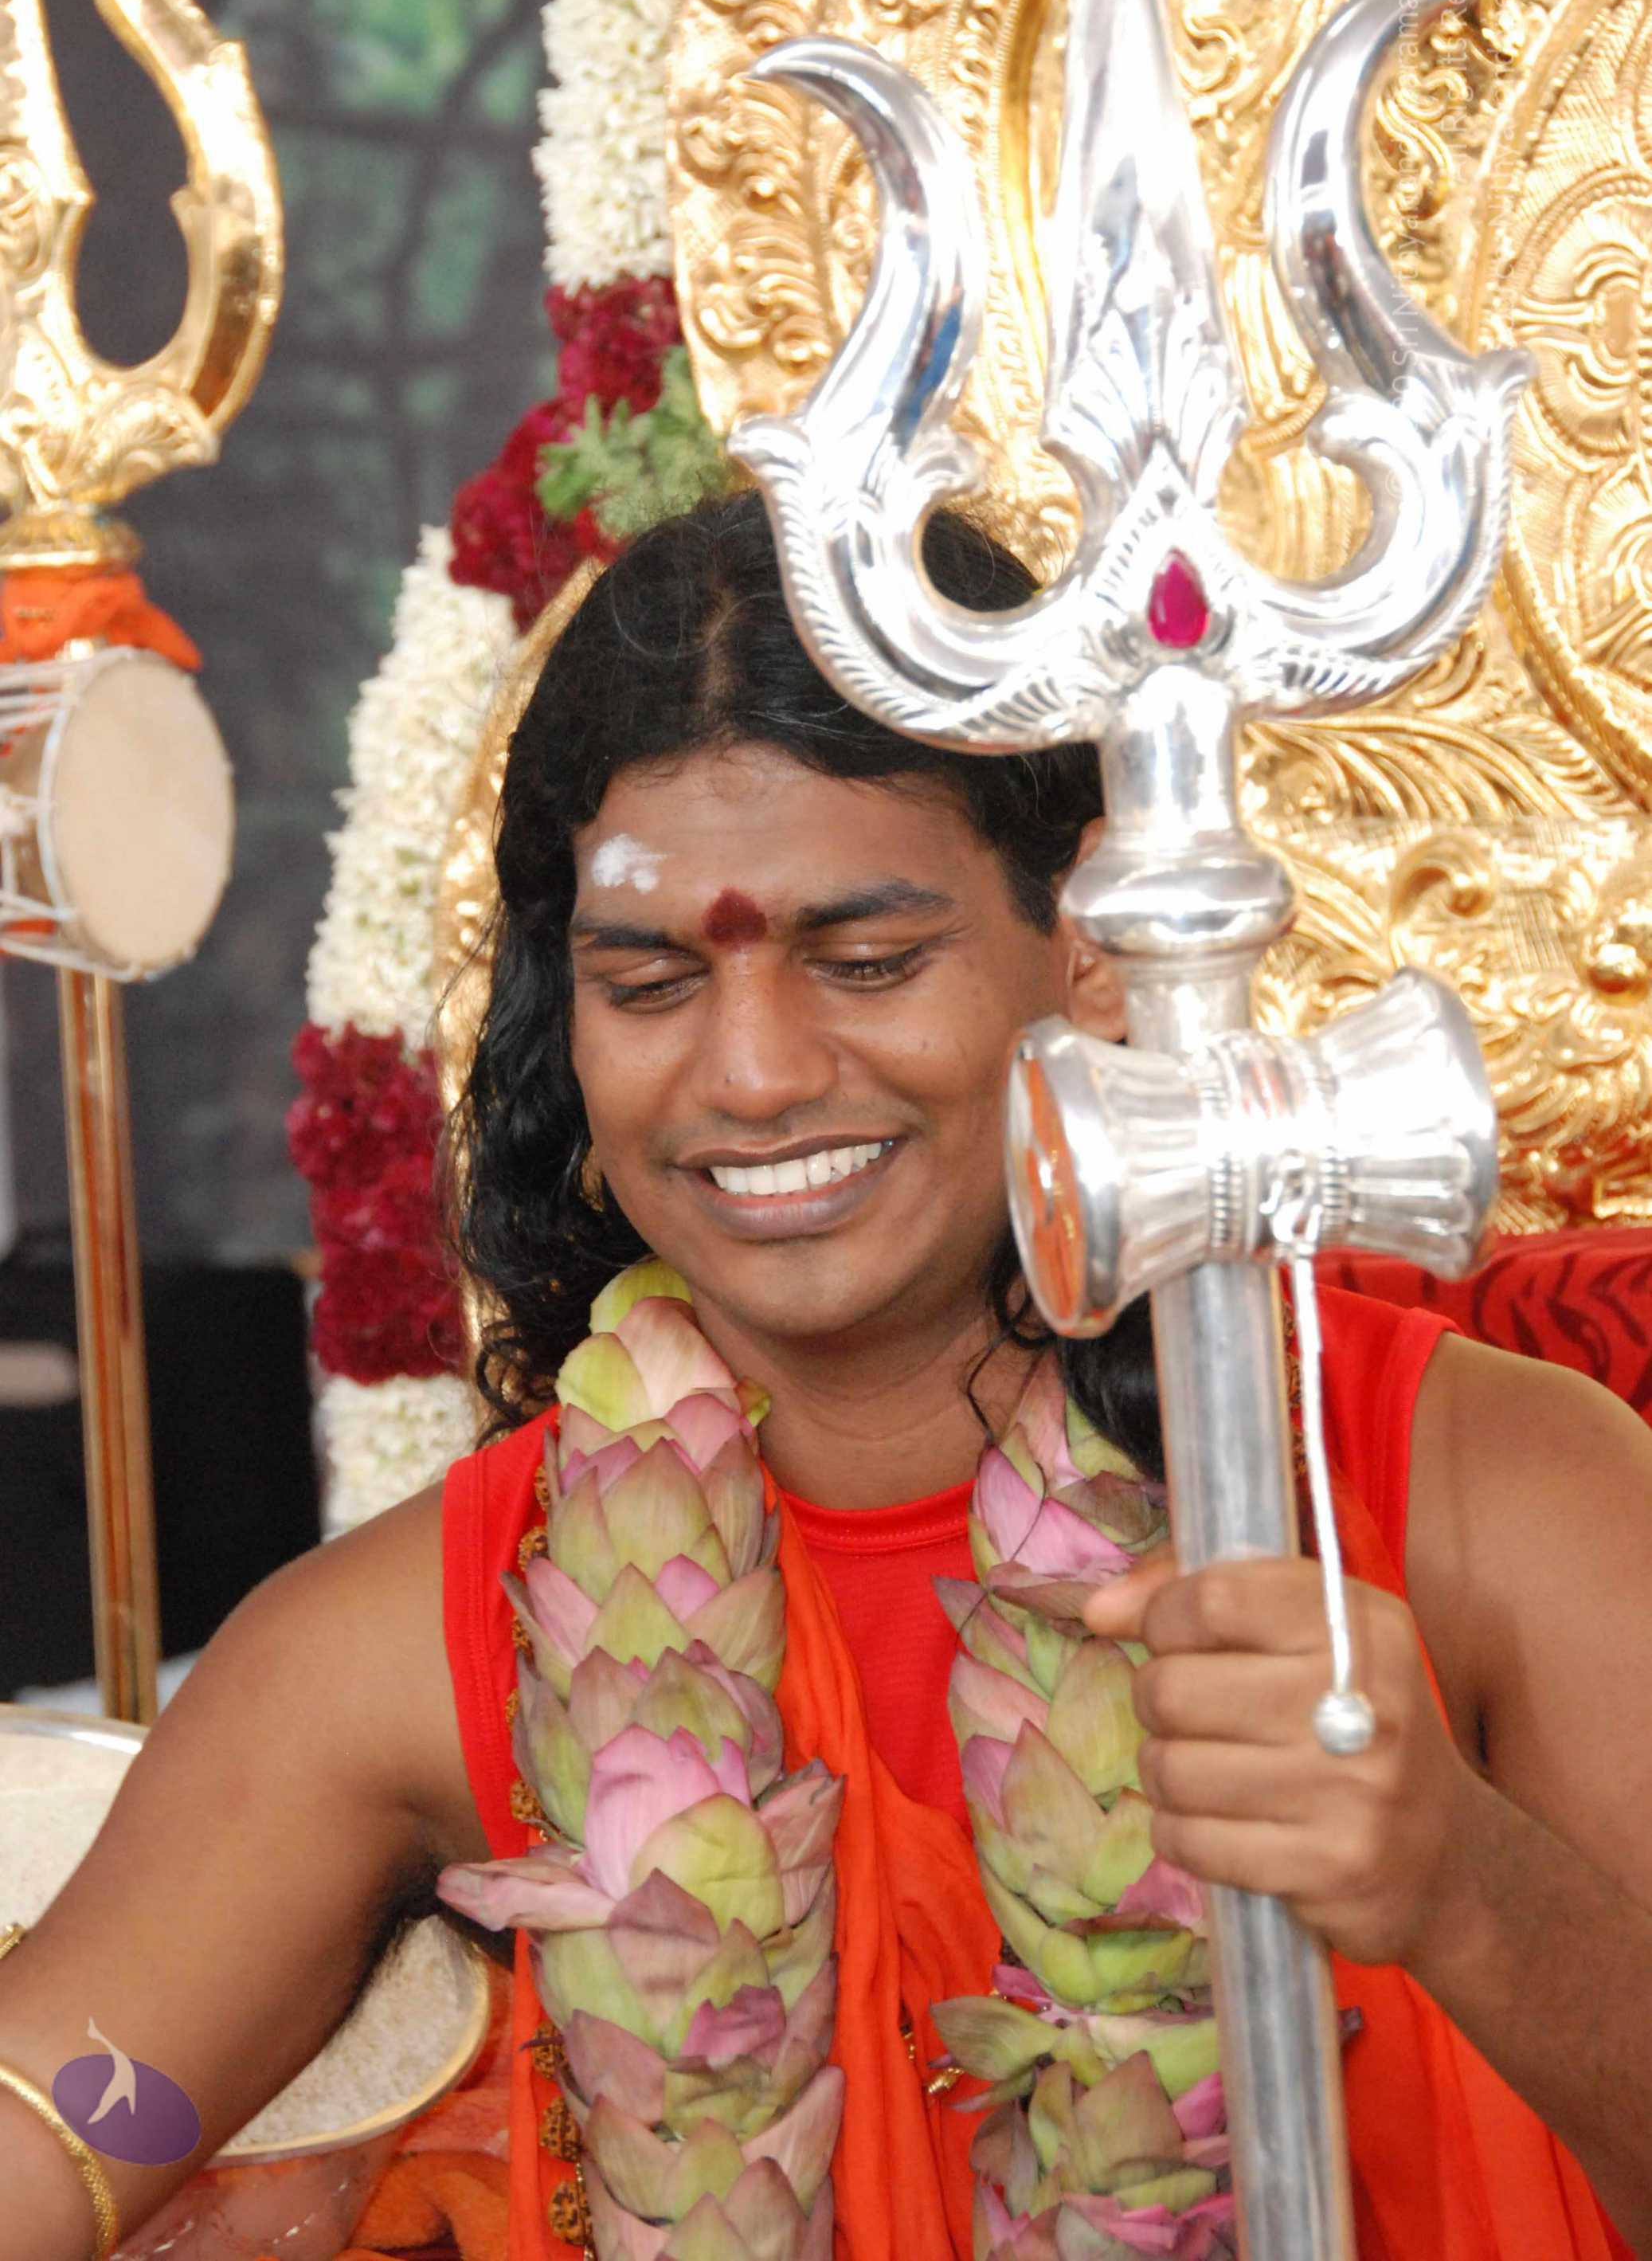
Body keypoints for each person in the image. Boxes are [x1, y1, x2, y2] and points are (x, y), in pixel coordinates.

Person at [2, 488, 1650, 2261]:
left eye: (866, 961)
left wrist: (1465, 1881)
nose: (755, 1073)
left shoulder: (1488, 1497)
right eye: (648, 982)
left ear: (1090, 946)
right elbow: (72, 2110)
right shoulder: (409, 1642)